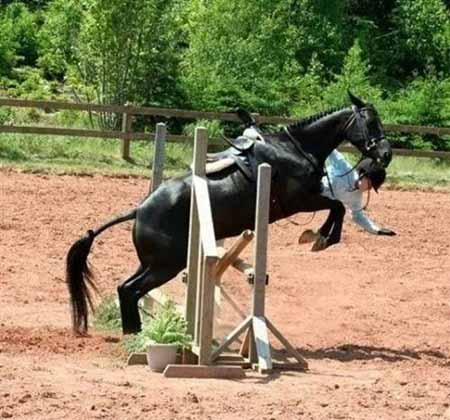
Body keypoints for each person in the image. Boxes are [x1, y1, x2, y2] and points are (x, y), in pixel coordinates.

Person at [298, 150, 396, 244]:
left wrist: (376, 230)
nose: (369, 189)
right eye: (370, 185)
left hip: (315, 201)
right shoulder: (344, 167)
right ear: (363, 174)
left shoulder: (357, 197)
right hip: (309, 185)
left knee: (338, 208)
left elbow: (358, 216)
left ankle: (320, 233)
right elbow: (332, 151)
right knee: (338, 207)